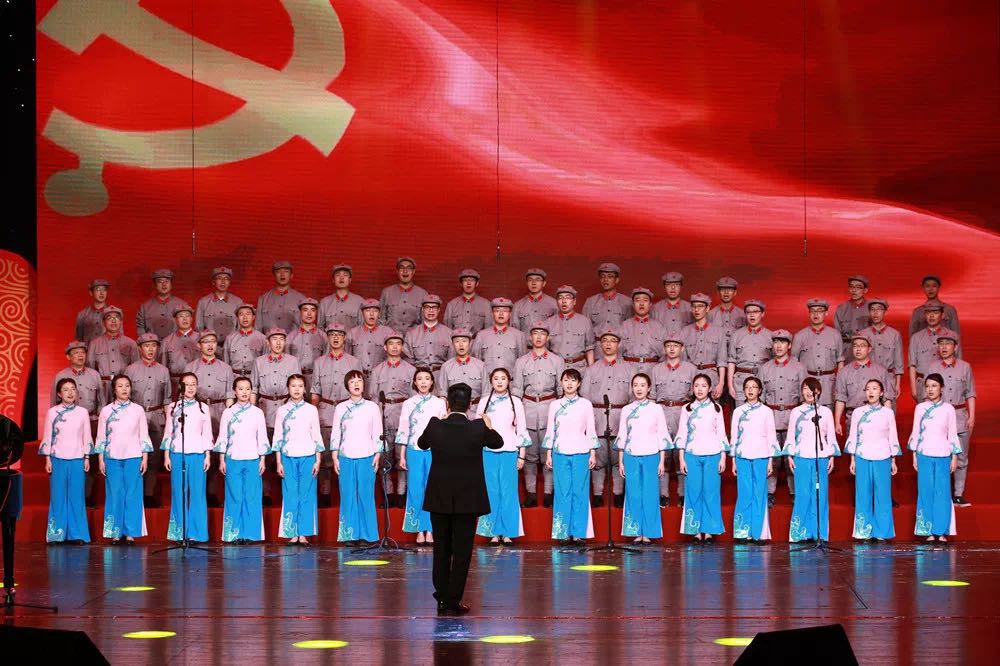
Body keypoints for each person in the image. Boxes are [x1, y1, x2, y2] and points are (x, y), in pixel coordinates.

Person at [418, 382, 504, 616]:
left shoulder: (435, 425)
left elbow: (421, 444)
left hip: (440, 497)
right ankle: (453, 600)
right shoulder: (478, 427)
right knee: (462, 551)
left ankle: (442, 598)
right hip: (468, 499)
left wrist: (439, 421)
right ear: (470, 404)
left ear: (447, 403)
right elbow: (498, 442)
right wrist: (488, 425)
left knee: (441, 549)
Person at [511, 321, 565, 507]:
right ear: (530, 337)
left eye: (543, 333)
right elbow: (517, 391)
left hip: (550, 408)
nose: (539, 337)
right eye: (535, 333)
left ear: (548, 337)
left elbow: (562, 390)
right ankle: (531, 493)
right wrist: (516, 416)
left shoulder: (557, 361)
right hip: (528, 409)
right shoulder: (521, 362)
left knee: (550, 453)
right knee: (529, 455)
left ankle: (549, 493)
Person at [310, 322, 363, 505]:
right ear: (327, 337)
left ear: (344, 338)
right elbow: (315, 391)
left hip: (349, 411)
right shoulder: (319, 362)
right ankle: (325, 494)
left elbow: (359, 390)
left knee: (347, 454)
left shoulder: (354, 362)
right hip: (325, 412)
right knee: (325, 456)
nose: (335, 338)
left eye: (339, 335)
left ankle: (346, 494)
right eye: (332, 334)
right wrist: (313, 414)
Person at [543, 369, 599, 544]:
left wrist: (592, 453)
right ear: (561, 382)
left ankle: (578, 533)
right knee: (562, 492)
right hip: (560, 452)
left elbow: (591, 430)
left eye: (573, 380)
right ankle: (563, 533)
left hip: (581, 452)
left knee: (580, 492)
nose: (569, 384)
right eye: (566, 380)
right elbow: (551, 430)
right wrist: (549, 453)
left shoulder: (586, 404)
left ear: (579, 383)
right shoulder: (554, 405)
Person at [95, 375, 152, 544]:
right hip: (112, 457)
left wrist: (145, 458)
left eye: (127, 385)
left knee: (133, 494)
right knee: (115, 493)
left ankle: (130, 533)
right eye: (120, 386)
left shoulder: (138, 410)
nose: (124, 389)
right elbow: (101, 437)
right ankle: (115, 532)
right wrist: (101, 459)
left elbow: (143, 435)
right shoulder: (106, 411)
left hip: (134, 456)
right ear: (114, 389)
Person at [616, 373, 672, 544]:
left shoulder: (656, 409)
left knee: (650, 494)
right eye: (635, 385)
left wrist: (661, 460)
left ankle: (648, 532)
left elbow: (662, 434)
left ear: (649, 388)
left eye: (642, 385)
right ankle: (635, 531)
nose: (639, 388)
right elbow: (622, 435)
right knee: (633, 494)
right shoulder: (626, 410)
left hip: (651, 455)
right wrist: (621, 461)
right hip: (630, 455)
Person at [580, 328, 634, 507]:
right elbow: (585, 396)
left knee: (619, 457)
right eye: (605, 341)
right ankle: (597, 494)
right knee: (598, 457)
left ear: (619, 344)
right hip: (598, 417)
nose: (608, 344)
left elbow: (633, 397)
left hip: (620, 416)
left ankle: (618, 494)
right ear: (600, 344)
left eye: (612, 340)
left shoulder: (629, 368)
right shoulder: (591, 369)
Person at [783, 378, 840, 543]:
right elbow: (791, 435)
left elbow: (831, 436)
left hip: (820, 457)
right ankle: (800, 533)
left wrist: (831, 457)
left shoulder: (826, 412)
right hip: (801, 457)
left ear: (819, 392)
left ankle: (819, 534)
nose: (809, 392)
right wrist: (789, 456)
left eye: (812, 389)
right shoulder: (796, 412)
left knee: (820, 495)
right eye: (805, 389)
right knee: (803, 494)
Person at [476, 368, 530, 544]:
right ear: (491, 381)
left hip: (510, 451)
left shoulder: (516, 402)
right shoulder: (484, 402)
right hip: (487, 452)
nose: (499, 382)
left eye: (503, 378)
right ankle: (493, 532)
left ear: (509, 381)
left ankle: (507, 532)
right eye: (496, 378)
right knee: (491, 491)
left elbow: (521, 428)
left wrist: (521, 455)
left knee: (508, 492)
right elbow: (478, 429)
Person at [330, 370, 383, 544]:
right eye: (352, 381)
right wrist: (335, 456)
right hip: (346, 455)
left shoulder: (372, 407)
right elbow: (336, 433)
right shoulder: (340, 408)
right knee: (348, 495)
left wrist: (377, 454)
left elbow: (378, 432)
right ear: (347, 386)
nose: (356, 384)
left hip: (367, 455)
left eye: (359, 380)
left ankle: (368, 535)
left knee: (366, 495)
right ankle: (349, 534)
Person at [845, 379, 901, 542]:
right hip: (862, 456)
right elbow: (853, 436)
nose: (871, 392)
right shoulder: (858, 412)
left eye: (875, 389)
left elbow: (892, 436)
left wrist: (893, 460)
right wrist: (852, 459)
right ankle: (864, 532)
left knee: (883, 496)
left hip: (883, 456)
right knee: (863, 495)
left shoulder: (888, 413)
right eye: (868, 389)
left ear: (881, 393)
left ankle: (882, 533)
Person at [214, 377, 269, 544]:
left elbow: (262, 437)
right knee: (234, 496)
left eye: (247, 389)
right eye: (240, 389)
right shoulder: (228, 412)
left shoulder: (257, 412)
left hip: (253, 459)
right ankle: (233, 534)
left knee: (252, 497)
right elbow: (223, 436)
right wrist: (222, 460)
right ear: (234, 391)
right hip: (233, 458)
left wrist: (262, 460)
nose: (244, 392)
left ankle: (250, 534)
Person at [161, 373, 214, 542]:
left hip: (197, 453)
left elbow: (207, 433)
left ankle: (197, 534)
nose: (190, 388)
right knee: (179, 492)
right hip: (178, 453)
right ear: (180, 387)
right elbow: (168, 432)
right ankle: (179, 533)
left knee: (198, 493)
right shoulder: (173, 407)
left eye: (194, 384)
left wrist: (207, 455)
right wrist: (166, 455)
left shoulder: (203, 407)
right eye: (187, 384)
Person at [40, 378, 94, 544]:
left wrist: (86, 457)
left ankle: (77, 535)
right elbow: (47, 437)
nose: (70, 392)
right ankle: (56, 534)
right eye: (66, 389)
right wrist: (48, 459)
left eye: (72, 389)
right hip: (57, 459)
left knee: (77, 497)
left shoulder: (82, 412)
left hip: (77, 459)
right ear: (59, 394)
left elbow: (87, 436)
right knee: (58, 497)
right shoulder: (52, 412)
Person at [396, 368, 447, 545]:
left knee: (433, 490)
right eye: (420, 379)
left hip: (435, 451)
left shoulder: (439, 403)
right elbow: (404, 429)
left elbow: (443, 430)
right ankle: (419, 529)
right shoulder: (408, 403)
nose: (423, 382)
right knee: (416, 489)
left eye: (427, 378)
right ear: (415, 382)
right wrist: (402, 455)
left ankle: (431, 530)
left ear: (432, 382)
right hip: (414, 450)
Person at [271, 374, 324, 545]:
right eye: (293, 386)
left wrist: (318, 460)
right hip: (288, 456)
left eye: (300, 386)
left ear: (305, 389)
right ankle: (292, 533)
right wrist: (279, 462)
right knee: (291, 494)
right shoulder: (282, 410)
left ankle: (304, 534)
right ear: (288, 388)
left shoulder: (311, 410)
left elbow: (316, 434)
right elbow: (278, 436)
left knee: (307, 495)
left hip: (308, 455)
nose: (297, 389)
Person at [676, 374, 728, 541]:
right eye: (696, 385)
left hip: (713, 454)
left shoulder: (716, 408)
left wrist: (723, 457)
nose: (700, 389)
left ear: (710, 388)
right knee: (693, 491)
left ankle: (710, 531)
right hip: (691, 454)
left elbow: (721, 433)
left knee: (711, 492)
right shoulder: (686, 409)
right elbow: (682, 434)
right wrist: (682, 458)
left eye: (703, 386)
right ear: (692, 388)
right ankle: (696, 531)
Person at [757, 329, 807, 506]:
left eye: (783, 342)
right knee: (772, 457)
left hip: (792, 417)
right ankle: (769, 492)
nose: (778, 346)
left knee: (791, 457)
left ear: (789, 345)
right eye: (776, 342)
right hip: (771, 417)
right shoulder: (764, 368)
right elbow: (760, 398)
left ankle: (795, 492)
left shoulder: (799, 367)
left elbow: (804, 396)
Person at [909, 373, 961, 543]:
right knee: (925, 492)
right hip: (923, 453)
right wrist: (914, 455)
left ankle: (941, 530)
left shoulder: (949, 409)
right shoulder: (920, 408)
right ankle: (929, 531)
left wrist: (954, 456)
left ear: (941, 388)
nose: (930, 389)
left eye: (934, 386)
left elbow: (952, 433)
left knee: (942, 493)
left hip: (943, 454)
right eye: (928, 386)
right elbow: (916, 432)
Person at [52, 340, 105, 505]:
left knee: (91, 460)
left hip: (92, 421)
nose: (80, 355)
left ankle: (87, 497)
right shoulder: (60, 376)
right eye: (76, 353)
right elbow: (54, 405)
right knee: (73, 459)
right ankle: (71, 496)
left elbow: (102, 401)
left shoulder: (94, 375)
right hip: (69, 426)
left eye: (83, 352)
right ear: (68, 356)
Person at [926, 333, 976, 507]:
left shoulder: (965, 367)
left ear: (955, 347)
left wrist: (972, 416)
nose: (944, 347)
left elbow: (970, 393)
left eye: (948, 343)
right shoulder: (932, 367)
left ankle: (958, 494)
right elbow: (927, 395)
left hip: (959, 415)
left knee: (961, 457)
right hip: (938, 417)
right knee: (940, 456)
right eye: (941, 344)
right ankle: (941, 493)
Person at [368, 332, 415, 508]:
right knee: (384, 459)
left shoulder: (411, 370)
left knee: (403, 458)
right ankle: (388, 495)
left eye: (398, 344)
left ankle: (401, 495)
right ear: (385, 347)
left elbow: (414, 398)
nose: (395, 347)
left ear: (402, 347)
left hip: (403, 416)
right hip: (384, 417)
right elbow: (373, 398)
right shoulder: (377, 371)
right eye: (391, 343)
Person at [124, 332, 171, 507]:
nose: (151, 349)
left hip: (157, 418)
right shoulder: (130, 370)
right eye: (146, 346)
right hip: (136, 417)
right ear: (139, 348)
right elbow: (125, 397)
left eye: (154, 346)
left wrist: (169, 423)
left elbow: (167, 399)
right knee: (136, 456)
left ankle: (149, 494)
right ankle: (134, 494)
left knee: (154, 459)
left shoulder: (163, 370)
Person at [729, 377, 778, 542]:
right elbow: (734, 437)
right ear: (744, 390)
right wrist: (733, 461)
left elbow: (771, 436)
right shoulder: (738, 411)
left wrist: (770, 461)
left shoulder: (766, 411)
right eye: (747, 387)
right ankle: (742, 532)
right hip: (742, 455)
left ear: (760, 390)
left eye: (754, 387)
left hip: (761, 455)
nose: (750, 390)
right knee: (744, 493)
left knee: (759, 494)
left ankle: (759, 533)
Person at [651, 337, 697, 507]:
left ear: (682, 348)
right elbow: (652, 397)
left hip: (682, 412)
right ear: (664, 349)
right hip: (661, 412)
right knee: (662, 453)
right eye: (668, 345)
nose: (671, 349)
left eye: (675, 346)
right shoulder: (656, 370)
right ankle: (662, 494)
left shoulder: (691, 369)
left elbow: (696, 396)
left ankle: (682, 494)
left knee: (681, 453)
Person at [834, 333, 896, 437]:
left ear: (869, 349)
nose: (858, 349)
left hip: (877, 419)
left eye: (862, 346)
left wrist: (889, 421)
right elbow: (840, 398)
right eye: (855, 346)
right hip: (854, 419)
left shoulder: (881, 371)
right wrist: (837, 422)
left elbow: (887, 399)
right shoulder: (844, 372)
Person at [792, 298, 844, 409]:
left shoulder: (835, 335)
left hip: (829, 385)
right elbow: (793, 363)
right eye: (813, 311)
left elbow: (840, 361)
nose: (816, 314)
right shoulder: (800, 336)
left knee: (828, 417)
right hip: (808, 383)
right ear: (809, 313)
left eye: (819, 311)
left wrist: (839, 385)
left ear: (826, 313)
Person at [183, 330, 235, 435]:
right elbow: (185, 396)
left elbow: (229, 397)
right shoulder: (190, 368)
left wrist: (229, 418)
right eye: (206, 342)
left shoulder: (226, 368)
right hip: (198, 411)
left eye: (213, 341)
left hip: (220, 413)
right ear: (199, 345)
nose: (210, 345)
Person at [908, 300, 961, 402]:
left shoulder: (952, 336)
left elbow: (958, 360)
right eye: (928, 312)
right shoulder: (916, 338)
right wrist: (913, 388)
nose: (931, 316)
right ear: (925, 315)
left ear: (942, 315)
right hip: (923, 384)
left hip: (946, 383)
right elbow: (912, 365)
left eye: (935, 312)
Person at [678, 292, 727, 398]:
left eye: (700, 306)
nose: (697, 310)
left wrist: (721, 383)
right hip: (691, 377)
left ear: (707, 308)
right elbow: (683, 361)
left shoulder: (719, 331)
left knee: (712, 406)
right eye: (694, 306)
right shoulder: (684, 332)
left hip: (712, 377)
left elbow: (721, 360)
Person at [87, 305, 139, 402]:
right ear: (103, 322)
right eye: (109, 318)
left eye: (117, 318)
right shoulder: (94, 344)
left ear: (121, 322)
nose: (113, 321)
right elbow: (90, 371)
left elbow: (135, 370)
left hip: (123, 388)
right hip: (102, 387)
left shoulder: (131, 343)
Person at [726, 299, 771, 407]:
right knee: (741, 414)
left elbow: (774, 363)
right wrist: (730, 385)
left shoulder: (770, 336)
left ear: (762, 314)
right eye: (748, 312)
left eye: (755, 311)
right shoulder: (736, 335)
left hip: (762, 381)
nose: (752, 315)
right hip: (741, 383)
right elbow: (731, 361)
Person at [470, 297, 527, 380]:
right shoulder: (481, 335)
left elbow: (523, 364)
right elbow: (475, 362)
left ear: (510, 314)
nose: (501, 314)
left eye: (505, 311)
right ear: (492, 314)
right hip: (487, 382)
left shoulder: (519, 336)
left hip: (511, 382)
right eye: (497, 311)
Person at [195, 266, 244, 358]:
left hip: (232, 348)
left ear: (229, 282)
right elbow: (198, 328)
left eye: (226, 279)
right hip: (210, 350)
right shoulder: (203, 302)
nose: (223, 282)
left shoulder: (238, 302)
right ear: (213, 282)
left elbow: (240, 328)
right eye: (219, 278)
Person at [619, 287, 669, 375]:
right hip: (628, 370)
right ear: (633, 304)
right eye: (637, 300)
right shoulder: (624, 326)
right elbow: (618, 353)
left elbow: (665, 355)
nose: (641, 303)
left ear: (650, 304)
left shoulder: (659, 327)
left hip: (652, 371)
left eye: (645, 300)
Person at [860, 297, 903, 397]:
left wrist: (897, 384)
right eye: (872, 309)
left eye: (879, 309)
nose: (875, 313)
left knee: (888, 406)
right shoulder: (862, 334)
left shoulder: (894, 334)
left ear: (885, 312)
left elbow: (898, 362)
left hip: (888, 378)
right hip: (867, 378)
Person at [545, 285, 595, 371]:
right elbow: (545, 350)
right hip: (556, 368)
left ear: (574, 301)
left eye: (568, 297)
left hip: (579, 368)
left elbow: (589, 349)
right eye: (560, 298)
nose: (564, 301)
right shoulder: (549, 323)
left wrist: (592, 372)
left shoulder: (585, 321)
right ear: (557, 302)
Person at [437, 328, 486, 415]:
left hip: (476, 411)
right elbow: (443, 395)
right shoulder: (446, 367)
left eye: (464, 341)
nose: (461, 344)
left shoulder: (481, 366)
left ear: (470, 343)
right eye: (457, 341)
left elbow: (486, 393)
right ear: (452, 344)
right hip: (454, 412)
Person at [404, 295, 453, 377]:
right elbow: (408, 361)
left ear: (439, 310)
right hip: (418, 377)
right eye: (427, 307)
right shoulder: (411, 334)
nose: (431, 310)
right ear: (422, 309)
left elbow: (451, 360)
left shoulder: (449, 333)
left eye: (434, 307)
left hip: (441, 376)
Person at [286, 298, 327, 392]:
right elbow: (287, 363)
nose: (309, 314)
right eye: (305, 310)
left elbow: (326, 363)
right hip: (296, 381)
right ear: (300, 313)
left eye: (312, 310)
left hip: (316, 381)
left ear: (316, 313)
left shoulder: (324, 337)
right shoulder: (290, 337)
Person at [347, 299, 397, 375]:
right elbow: (347, 358)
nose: (371, 314)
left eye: (375, 311)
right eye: (367, 310)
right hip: (359, 377)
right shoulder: (352, 333)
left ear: (379, 313)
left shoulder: (388, 333)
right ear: (362, 313)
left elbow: (394, 357)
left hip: (381, 376)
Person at [379, 256, 429, 333]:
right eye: (402, 268)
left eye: (409, 268)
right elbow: (380, 319)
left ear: (413, 271)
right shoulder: (387, 292)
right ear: (397, 271)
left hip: (414, 338)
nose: (405, 271)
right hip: (391, 337)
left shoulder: (423, 294)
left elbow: (425, 322)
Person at [136, 268, 188, 340]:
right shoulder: (145, 307)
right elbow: (140, 328)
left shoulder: (182, 304)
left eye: (167, 281)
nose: (164, 284)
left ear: (171, 284)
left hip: (176, 345)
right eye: (160, 282)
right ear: (155, 285)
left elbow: (187, 328)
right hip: (153, 345)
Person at [255, 260, 306, 332]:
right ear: (274, 276)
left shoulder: (301, 299)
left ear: (291, 275)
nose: (282, 275)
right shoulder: (263, 299)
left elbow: (306, 327)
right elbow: (257, 329)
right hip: (268, 339)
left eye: (286, 271)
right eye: (278, 272)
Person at [160, 305, 200, 394]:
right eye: (181, 316)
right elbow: (163, 368)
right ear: (175, 320)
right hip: (175, 385)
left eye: (187, 316)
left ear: (191, 319)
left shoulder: (200, 338)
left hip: (197, 384)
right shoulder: (167, 341)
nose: (185, 319)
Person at [582, 262, 632, 332]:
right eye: (603, 276)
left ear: (617, 280)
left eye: (610, 276)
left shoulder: (627, 302)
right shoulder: (591, 302)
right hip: (597, 339)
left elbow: (631, 328)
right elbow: (584, 327)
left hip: (619, 339)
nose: (605, 280)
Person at [223, 304, 268, 379]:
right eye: (241, 314)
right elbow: (225, 364)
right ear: (237, 318)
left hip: (254, 378)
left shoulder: (262, 338)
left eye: (248, 314)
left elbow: (265, 364)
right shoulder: (230, 339)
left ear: (253, 317)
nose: (245, 317)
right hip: (234, 378)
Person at [443, 268, 491, 334]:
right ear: (461, 284)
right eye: (465, 280)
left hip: (478, 340)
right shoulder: (451, 305)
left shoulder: (486, 304)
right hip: (457, 340)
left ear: (477, 283)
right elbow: (447, 331)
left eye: (472, 280)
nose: (468, 283)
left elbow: (489, 331)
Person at [319, 263, 365, 330]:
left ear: (350, 280)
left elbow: (363, 328)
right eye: (338, 275)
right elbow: (320, 329)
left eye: (345, 275)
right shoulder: (324, 303)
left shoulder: (359, 301)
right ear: (333, 280)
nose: (341, 278)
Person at [833, 275, 871, 355]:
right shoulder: (841, 309)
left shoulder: (871, 308)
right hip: (847, 351)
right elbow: (837, 335)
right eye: (851, 287)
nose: (854, 290)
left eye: (858, 287)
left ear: (865, 290)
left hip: (867, 350)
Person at [513, 268, 558, 332]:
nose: (534, 283)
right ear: (526, 283)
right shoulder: (518, 305)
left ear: (544, 283)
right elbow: (515, 332)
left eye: (537, 280)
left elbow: (557, 329)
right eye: (530, 280)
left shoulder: (554, 304)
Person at [651, 271, 693, 337]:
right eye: (669, 284)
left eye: (676, 284)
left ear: (681, 286)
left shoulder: (690, 308)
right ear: (664, 287)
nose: (673, 287)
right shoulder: (655, 309)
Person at [708, 276, 746, 343]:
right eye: (723, 289)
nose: (726, 292)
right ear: (718, 292)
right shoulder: (710, 314)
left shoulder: (742, 315)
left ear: (735, 292)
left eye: (729, 289)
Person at [75, 278, 110, 343]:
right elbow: (78, 341)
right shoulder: (82, 314)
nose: (101, 293)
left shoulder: (114, 313)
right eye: (98, 290)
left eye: (104, 290)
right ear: (91, 293)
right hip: (88, 349)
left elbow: (120, 339)